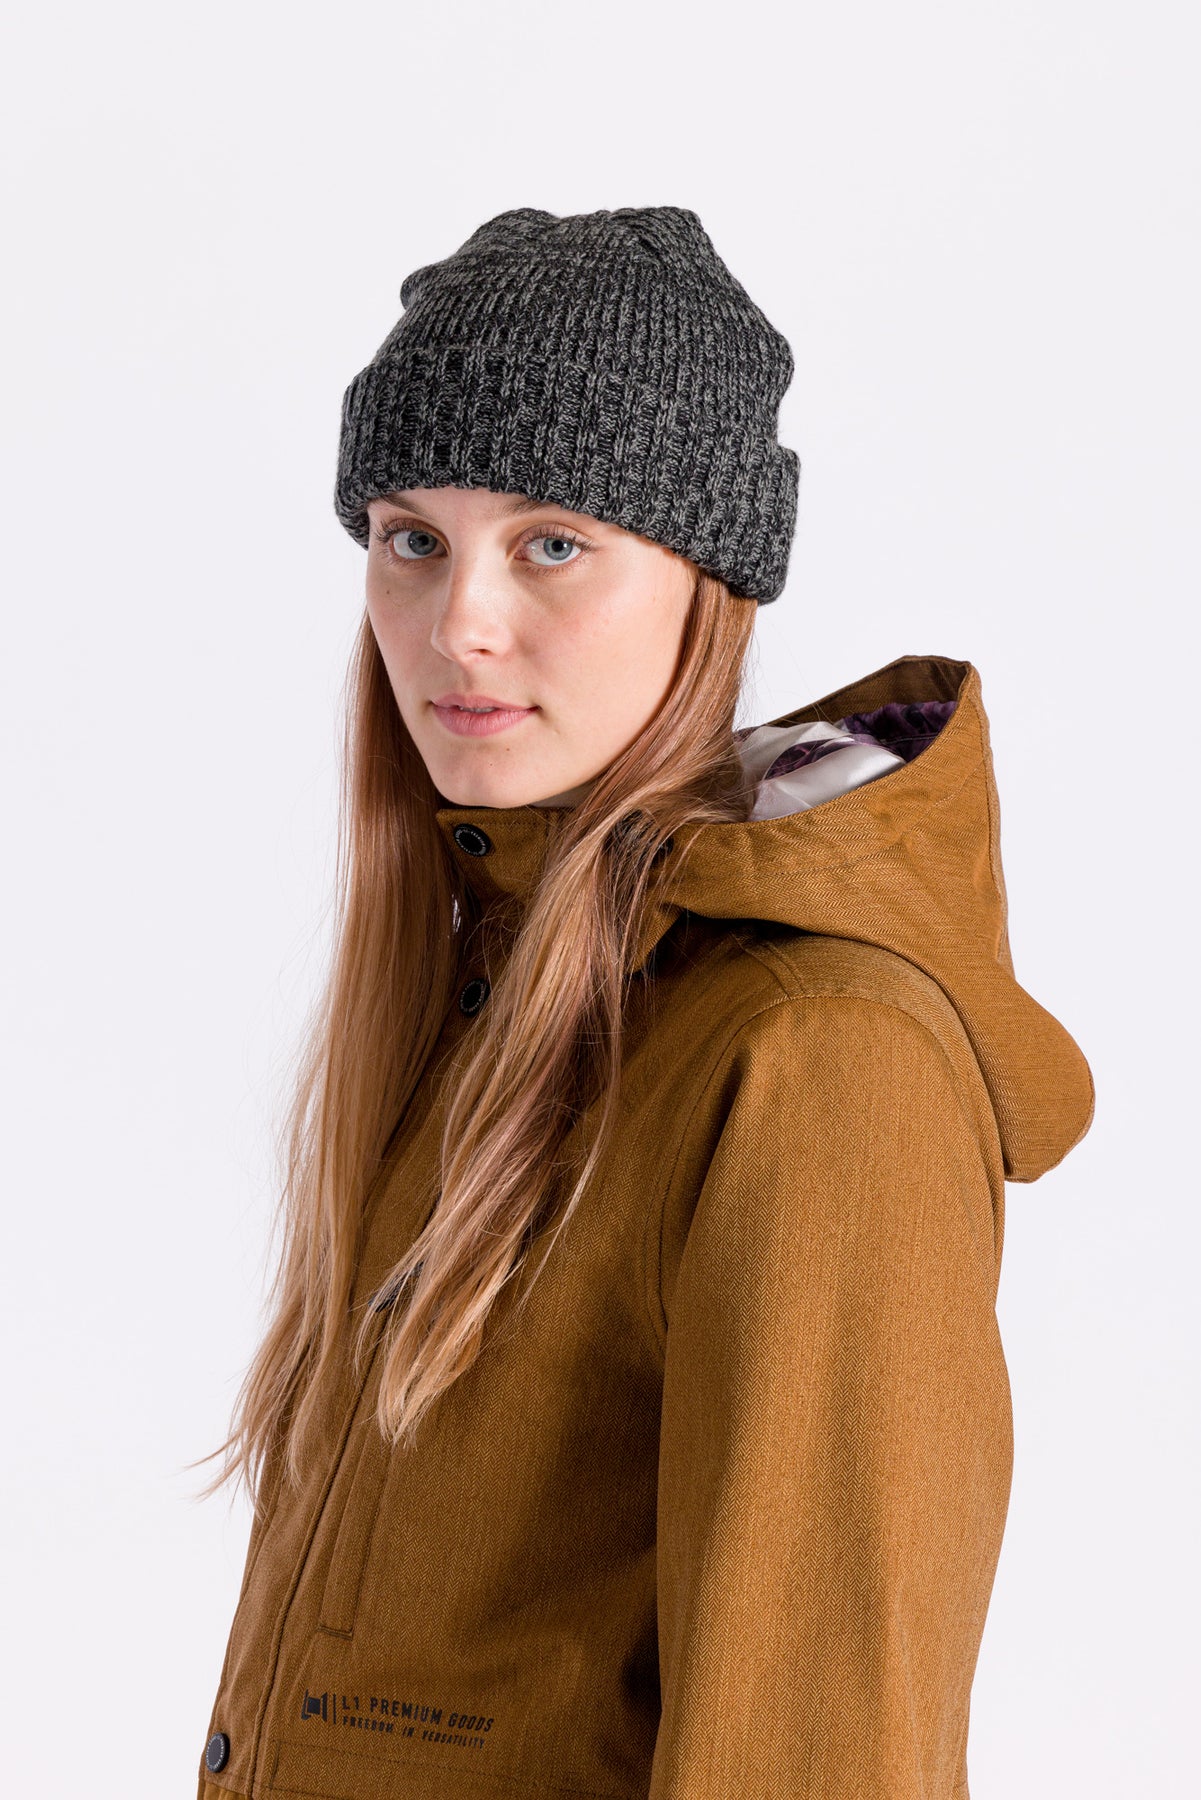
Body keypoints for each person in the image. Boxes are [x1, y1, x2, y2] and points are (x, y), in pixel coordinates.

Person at [191, 206, 1094, 1800]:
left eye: (552, 542)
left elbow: (819, 1758)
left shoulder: (814, 1055)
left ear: (707, 581)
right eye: (409, 539)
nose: (459, 622)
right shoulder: (490, 995)